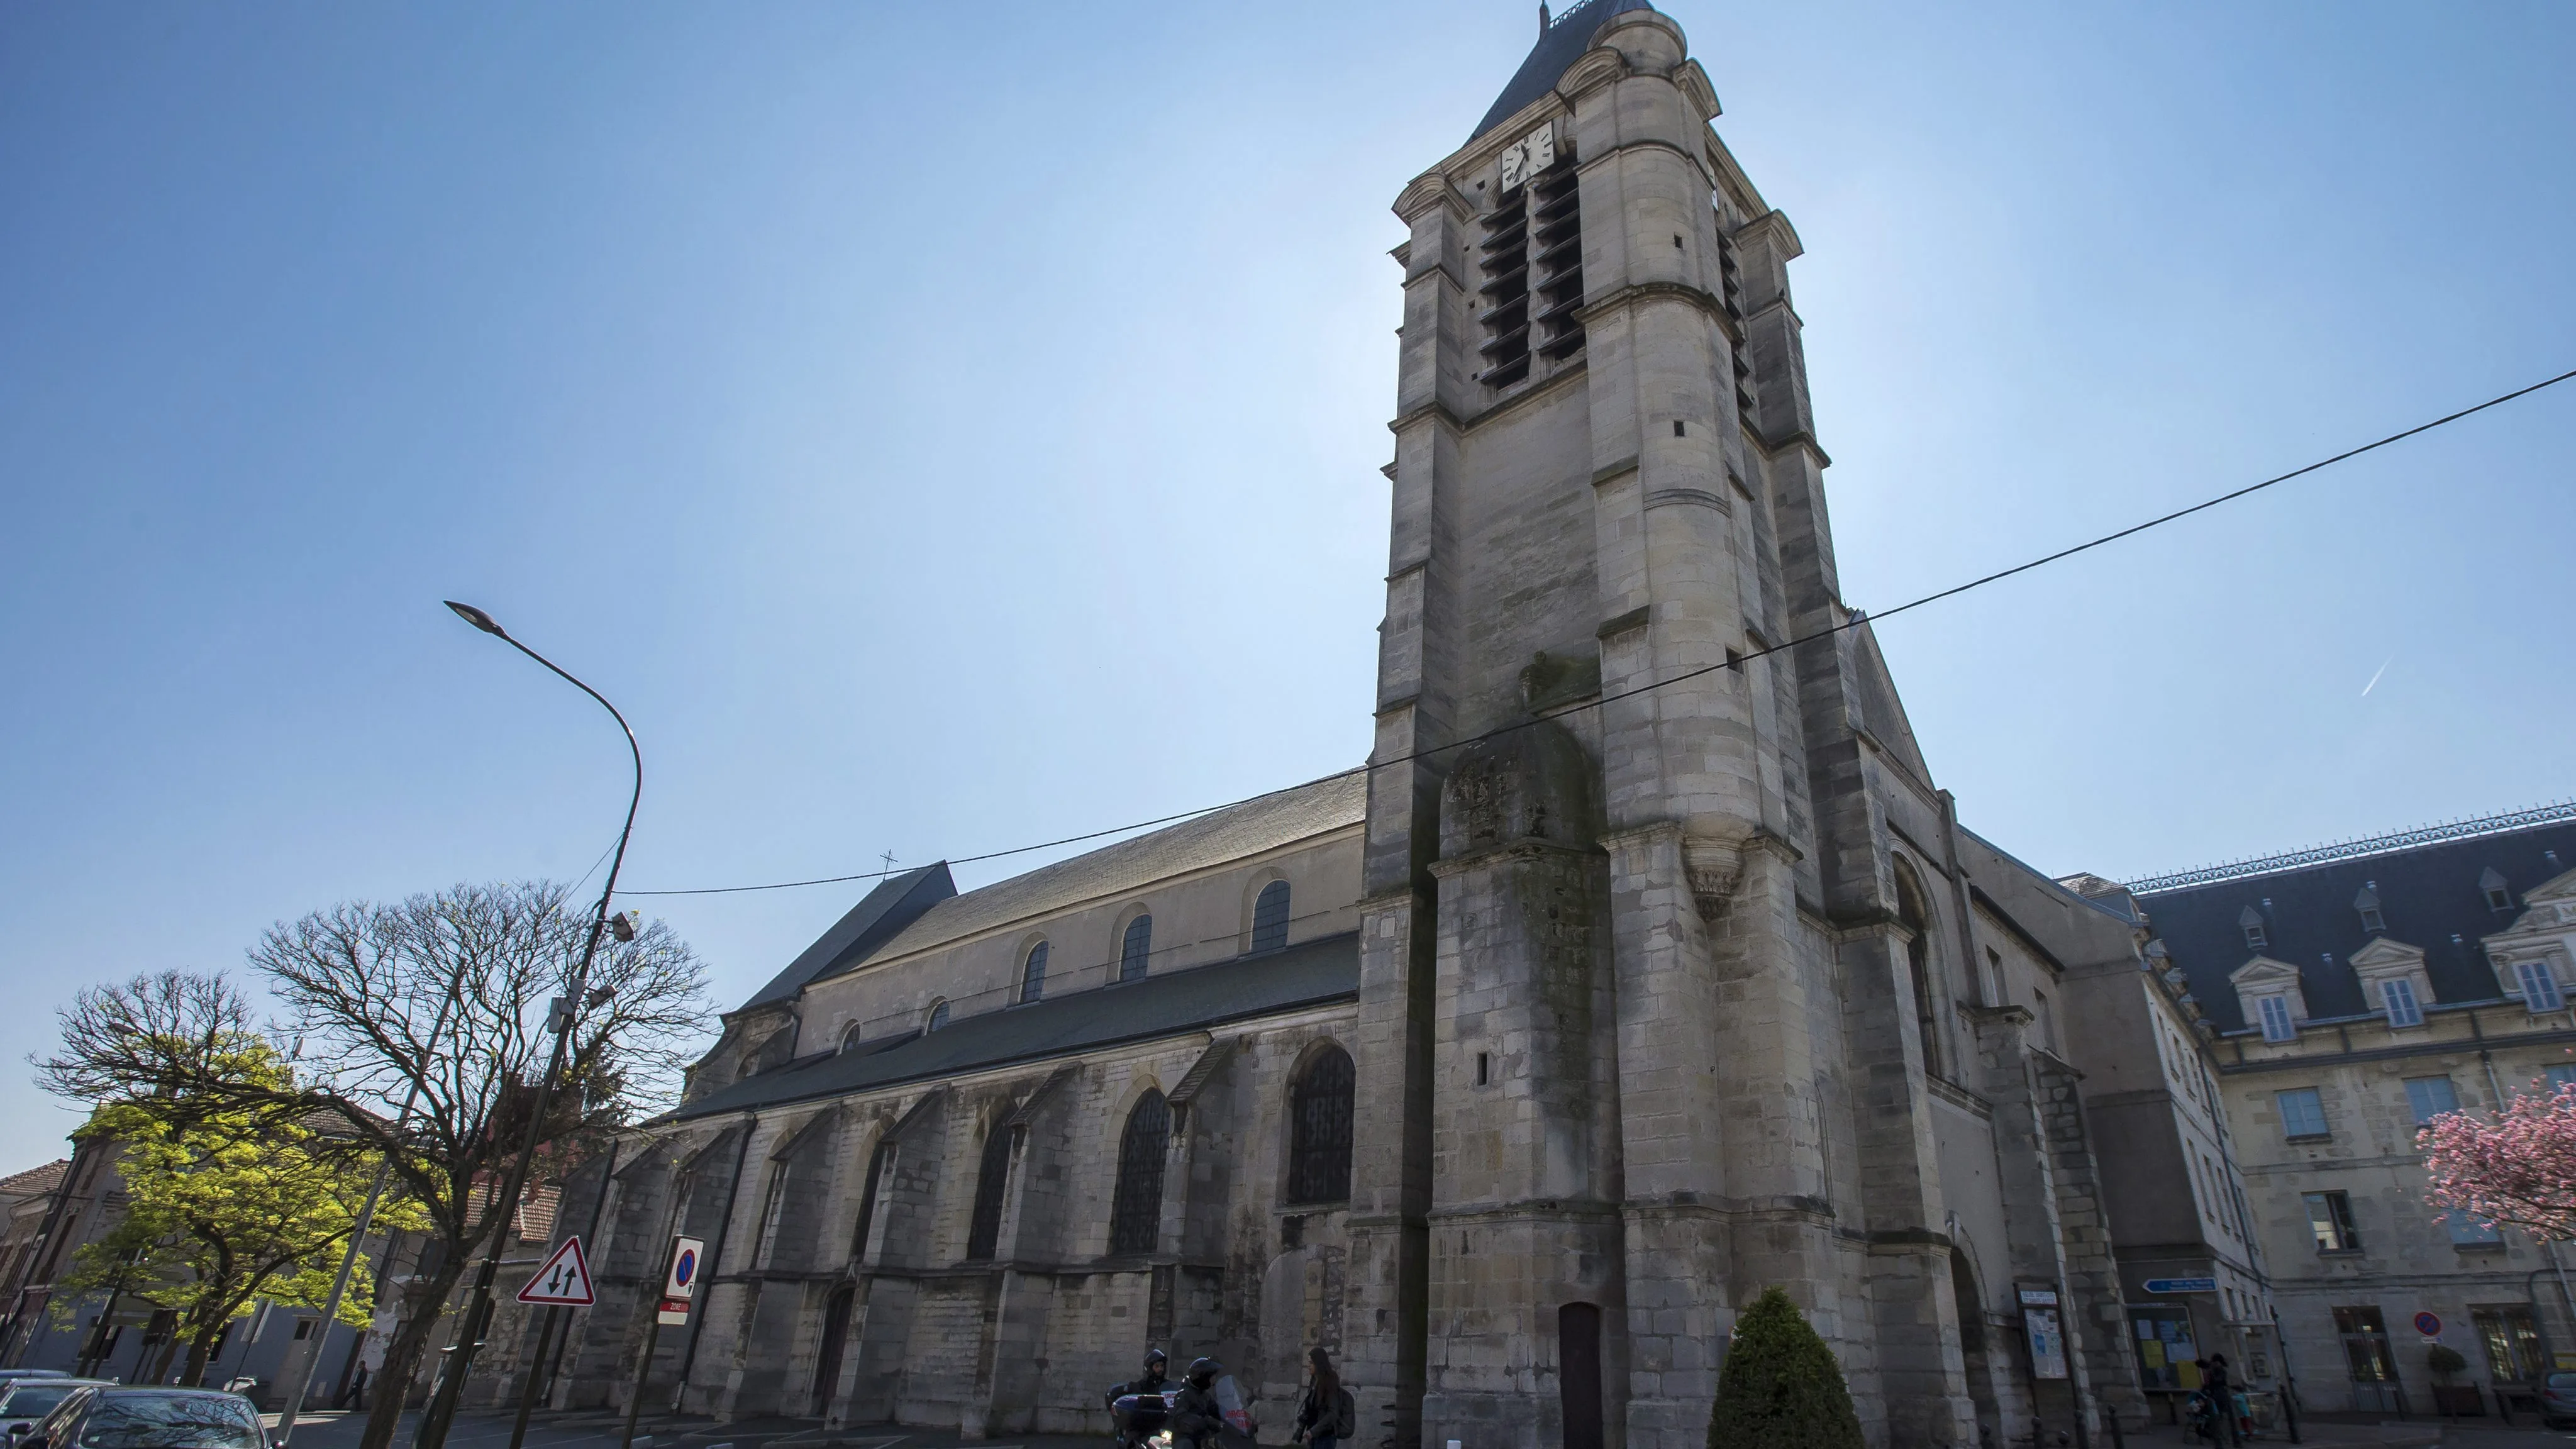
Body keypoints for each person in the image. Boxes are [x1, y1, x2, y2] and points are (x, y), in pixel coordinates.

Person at [1294, 1347, 1355, 1449]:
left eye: (1311, 1363)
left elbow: (1333, 1413)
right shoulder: (1315, 1381)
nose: (1309, 1366)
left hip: (1325, 1438)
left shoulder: (1329, 1383)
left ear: (1319, 1364)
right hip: (1313, 1436)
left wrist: (1314, 1431)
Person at [1170, 1356, 1226, 1449]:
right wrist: (1207, 1421)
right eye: (1213, 1377)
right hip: (1186, 1438)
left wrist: (1238, 1420)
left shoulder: (1205, 1396)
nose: (1214, 1380)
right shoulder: (1185, 1394)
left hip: (1202, 1438)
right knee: (1186, 1446)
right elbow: (1181, 1417)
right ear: (1204, 1378)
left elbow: (1218, 1411)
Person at [2203, 1354, 2236, 1447]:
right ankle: (2217, 1439)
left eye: (2215, 1363)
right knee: (2216, 1419)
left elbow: (2218, 1381)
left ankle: (2232, 1441)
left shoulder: (2221, 1371)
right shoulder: (2213, 1370)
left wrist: (2211, 1373)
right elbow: (2208, 1384)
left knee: (2224, 1419)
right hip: (2214, 1396)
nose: (2213, 1364)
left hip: (2221, 1396)